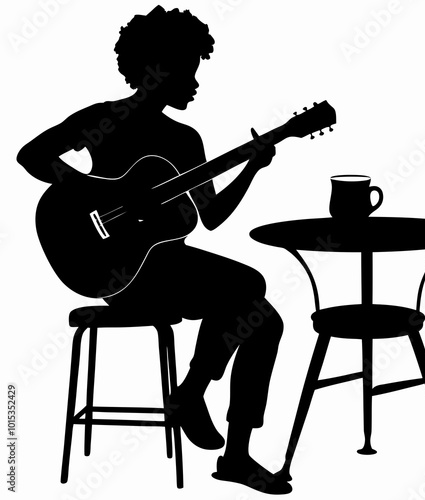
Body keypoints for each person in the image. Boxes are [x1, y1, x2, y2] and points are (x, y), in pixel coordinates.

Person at [17, 6, 291, 495]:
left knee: (263, 314)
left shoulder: (186, 140)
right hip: (117, 271)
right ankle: (203, 412)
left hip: (169, 267)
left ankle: (210, 421)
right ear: (156, 68)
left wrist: (251, 167)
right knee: (251, 291)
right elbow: (31, 155)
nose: (194, 84)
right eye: (187, 71)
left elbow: (210, 217)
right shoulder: (104, 118)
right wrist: (89, 190)